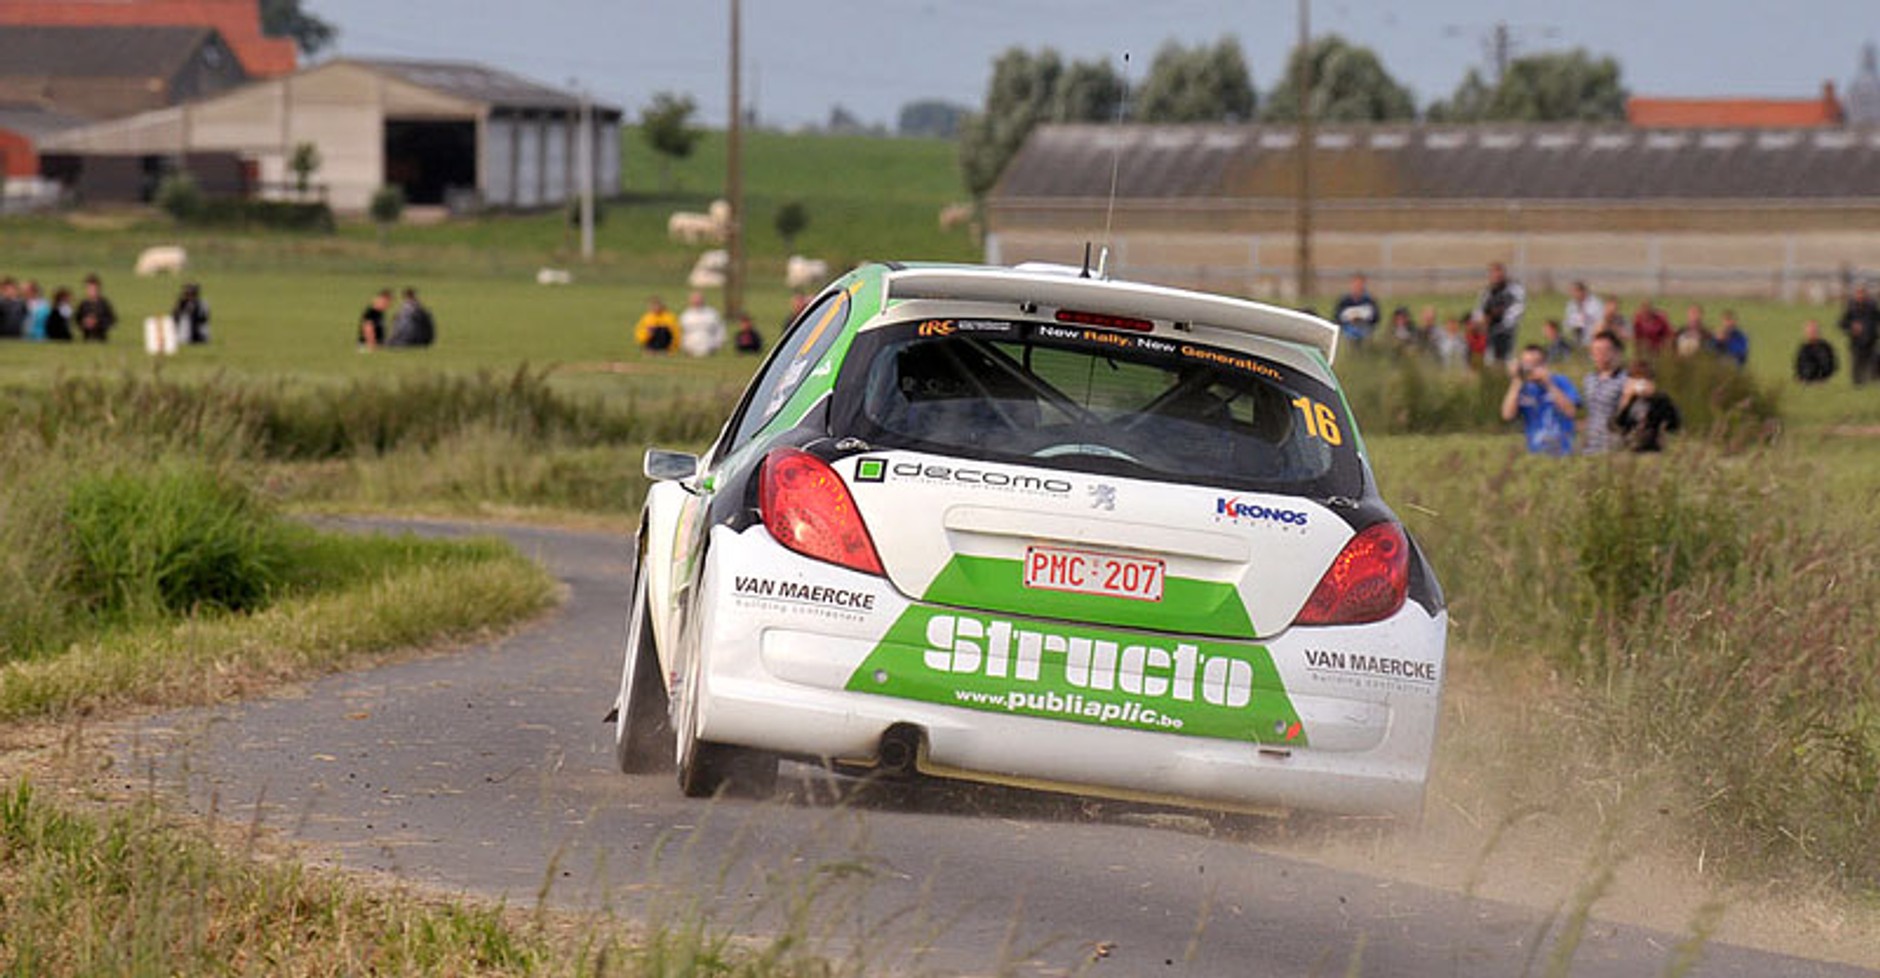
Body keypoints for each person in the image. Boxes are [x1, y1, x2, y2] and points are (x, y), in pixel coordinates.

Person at [1500, 343, 1581, 456]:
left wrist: (1549, 384)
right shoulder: (1522, 388)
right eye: (1526, 364)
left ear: (1544, 365)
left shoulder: (1561, 381)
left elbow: (1571, 412)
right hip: (1536, 454)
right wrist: (1516, 381)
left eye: (1535, 364)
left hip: (1563, 452)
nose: (1530, 369)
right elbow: (1507, 415)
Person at [1612, 360, 1682, 453]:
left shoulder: (1661, 400)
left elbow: (1674, 424)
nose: (1641, 386)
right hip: (1629, 451)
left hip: (1653, 451)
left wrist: (1653, 398)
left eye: (1644, 380)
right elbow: (1616, 425)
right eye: (1636, 380)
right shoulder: (1629, 399)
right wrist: (1625, 400)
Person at [1580, 330, 1628, 455]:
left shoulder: (1626, 380)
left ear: (1616, 352)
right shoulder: (1589, 379)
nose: (1599, 355)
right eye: (1595, 351)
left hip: (1614, 447)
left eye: (1604, 351)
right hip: (1590, 447)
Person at [1472, 261, 1526, 364]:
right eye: (1493, 273)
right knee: (1489, 361)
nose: (1496, 276)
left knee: (1506, 360)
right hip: (1488, 333)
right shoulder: (1486, 292)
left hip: (1506, 333)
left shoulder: (1514, 289)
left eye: (1499, 272)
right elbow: (1479, 310)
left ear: (1504, 273)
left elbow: (1517, 309)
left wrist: (1497, 317)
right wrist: (1480, 322)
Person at [1838, 282, 1880, 385]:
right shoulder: (1851, 307)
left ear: (1866, 294)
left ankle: (1873, 383)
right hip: (1856, 343)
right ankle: (1859, 385)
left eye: (1862, 293)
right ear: (1855, 294)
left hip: (1871, 342)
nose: (1860, 295)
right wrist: (1852, 327)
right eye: (1858, 293)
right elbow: (1841, 323)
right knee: (1857, 376)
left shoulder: (1872, 306)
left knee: (1874, 369)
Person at [1332, 273, 1380, 348]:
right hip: (1347, 328)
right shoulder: (1344, 301)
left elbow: (1376, 317)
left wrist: (1363, 319)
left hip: (1364, 327)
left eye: (1360, 284)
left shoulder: (1369, 300)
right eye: (1355, 284)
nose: (1357, 286)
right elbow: (1337, 316)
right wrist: (1348, 319)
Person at [678, 290, 726, 357]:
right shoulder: (686, 315)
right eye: (694, 300)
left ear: (703, 300)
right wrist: (684, 347)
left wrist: (718, 344)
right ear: (690, 301)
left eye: (699, 299)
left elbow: (720, 330)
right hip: (691, 350)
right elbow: (681, 332)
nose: (697, 302)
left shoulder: (712, 314)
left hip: (709, 348)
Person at [1562, 280, 1606, 348]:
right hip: (1576, 335)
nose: (1574, 295)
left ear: (1583, 291)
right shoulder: (1571, 304)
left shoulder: (1596, 303)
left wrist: (1587, 318)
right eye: (1572, 292)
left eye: (1576, 291)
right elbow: (1567, 322)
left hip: (1592, 335)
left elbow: (1601, 321)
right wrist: (1573, 322)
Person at [1795, 318, 1838, 383]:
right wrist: (1801, 376)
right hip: (1806, 380)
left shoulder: (1825, 347)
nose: (1812, 333)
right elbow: (1799, 366)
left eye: (1814, 331)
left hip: (1822, 380)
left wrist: (1823, 377)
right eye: (1810, 331)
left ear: (1818, 332)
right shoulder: (1803, 349)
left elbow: (1831, 365)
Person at [75, 274, 116, 342]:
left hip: (101, 339)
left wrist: (98, 322)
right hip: (86, 339)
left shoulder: (104, 304)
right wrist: (84, 322)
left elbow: (112, 320)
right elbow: (77, 319)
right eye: (89, 288)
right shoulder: (83, 304)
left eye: (93, 289)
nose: (91, 291)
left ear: (98, 289)